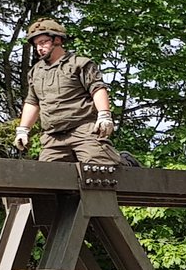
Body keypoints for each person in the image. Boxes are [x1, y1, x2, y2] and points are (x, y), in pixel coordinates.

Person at [14, 19, 122, 166]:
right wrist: (23, 130)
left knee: (101, 171)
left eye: (44, 42)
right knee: (48, 178)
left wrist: (104, 115)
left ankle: (127, 162)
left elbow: (97, 88)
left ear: (57, 40)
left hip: (83, 130)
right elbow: (32, 102)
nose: (39, 48)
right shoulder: (36, 72)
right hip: (53, 137)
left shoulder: (79, 64)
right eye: (36, 44)